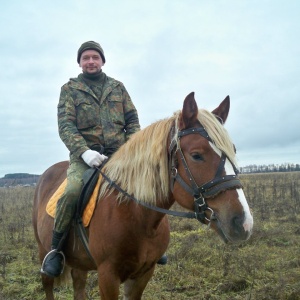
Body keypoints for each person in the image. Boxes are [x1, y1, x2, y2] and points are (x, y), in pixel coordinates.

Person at [41, 41, 166, 278]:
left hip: (121, 155)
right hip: (84, 157)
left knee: (151, 185)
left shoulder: (118, 88)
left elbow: (132, 120)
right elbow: (66, 126)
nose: (90, 61)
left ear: (102, 61)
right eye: (86, 58)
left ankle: (154, 245)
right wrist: (85, 152)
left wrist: (131, 150)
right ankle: (56, 250)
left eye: (95, 57)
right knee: (71, 192)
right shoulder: (70, 89)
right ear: (79, 62)